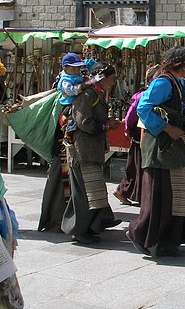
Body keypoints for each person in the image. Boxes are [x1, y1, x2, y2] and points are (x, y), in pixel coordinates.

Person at [126, 46, 185, 257]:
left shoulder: (177, 83)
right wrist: (166, 127)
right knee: (160, 199)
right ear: (182, 66)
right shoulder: (163, 82)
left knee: (175, 197)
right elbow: (143, 108)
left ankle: (168, 242)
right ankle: (141, 234)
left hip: (171, 149)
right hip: (161, 149)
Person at [61, 61, 121, 243]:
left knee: (94, 191)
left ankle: (95, 225)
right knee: (83, 194)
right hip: (82, 151)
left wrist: (107, 122)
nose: (112, 83)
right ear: (101, 79)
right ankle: (79, 230)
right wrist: (105, 125)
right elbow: (83, 122)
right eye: (110, 79)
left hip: (91, 151)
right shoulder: (87, 94)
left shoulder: (97, 94)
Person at [113, 64, 161, 206]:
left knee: (139, 166)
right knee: (137, 165)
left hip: (149, 134)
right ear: (151, 79)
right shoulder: (143, 96)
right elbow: (131, 115)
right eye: (157, 77)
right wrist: (128, 128)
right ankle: (123, 190)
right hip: (139, 135)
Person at [56, 52, 86, 144]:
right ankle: (67, 135)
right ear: (65, 68)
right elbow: (69, 90)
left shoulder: (77, 76)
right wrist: (79, 88)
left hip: (78, 101)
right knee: (71, 118)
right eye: (73, 68)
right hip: (68, 103)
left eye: (78, 67)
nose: (76, 70)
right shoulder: (66, 79)